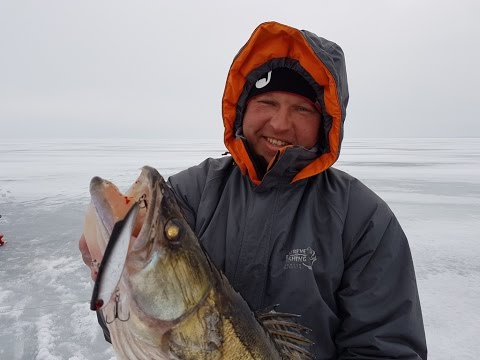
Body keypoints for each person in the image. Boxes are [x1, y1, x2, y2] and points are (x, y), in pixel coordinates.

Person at [80, 21, 427, 359]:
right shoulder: (191, 192)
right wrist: (109, 277)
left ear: (325, 124)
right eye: (267, 103)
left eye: (302, 109)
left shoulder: (364, 220)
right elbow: (135, 322)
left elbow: (387, 349)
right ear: (243, 109)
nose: (280, 123)